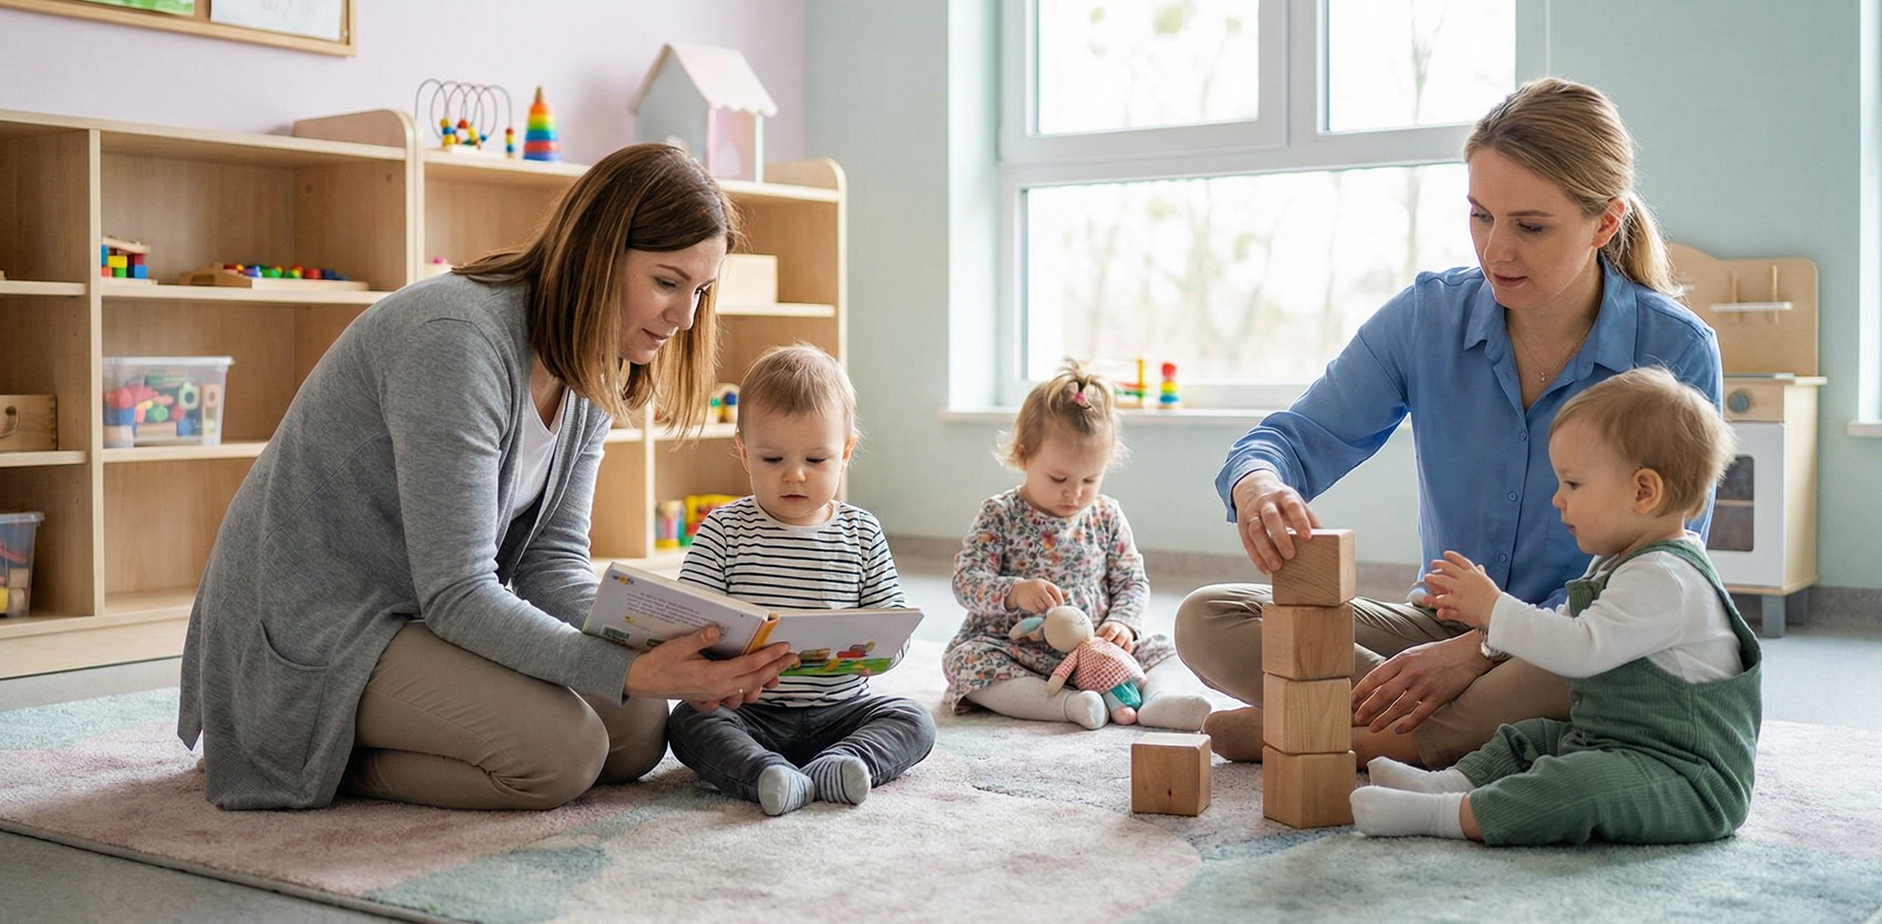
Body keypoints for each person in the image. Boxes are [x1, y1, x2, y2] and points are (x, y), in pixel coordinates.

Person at [178, 143, 801, 811]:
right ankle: (306, 752)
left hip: (412, 612)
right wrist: (625, 666)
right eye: (668, 282)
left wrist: (667, 649)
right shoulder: (455, 340)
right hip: (315, 623)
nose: (684, 318)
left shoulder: (594, 361)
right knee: (563, 754)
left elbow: (551, 567)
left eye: (701, 290)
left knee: (635, 732)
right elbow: (458, 591)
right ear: (595, 256)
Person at [1176, 77, 1723, 767]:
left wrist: (1488, 645)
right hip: (1440, 625)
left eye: (1530, 226)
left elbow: (1659, 567)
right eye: (1480, 215)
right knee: (1207, 618)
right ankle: (1428, 735)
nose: (1495, 250)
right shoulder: (1428, 317)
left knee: (1590, 669)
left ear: (1605, 222)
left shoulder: (1674, 350)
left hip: (1588, 638)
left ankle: (1312, 728)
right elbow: (1292, 437)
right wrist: (1257, 483)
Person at [1350, 366, 1759, 845]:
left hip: (1686, 778)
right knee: (1531, 738)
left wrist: (1495, 609)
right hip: (1616, 740)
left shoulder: (1665, 578)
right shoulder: (1617, 564)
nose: (1558, 500)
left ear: (1643, 491)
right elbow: (1562, 625)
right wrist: (1487, 623)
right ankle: (1446, 783)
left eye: (1574, 485)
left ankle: (1443, 816)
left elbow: (1579, 650)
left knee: (1573, 786)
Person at [664, 344, 936, 817]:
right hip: (750, 711)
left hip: (841, 710)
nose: (794, 475)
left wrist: (879, 648)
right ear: (744, 452)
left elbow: (893, 630)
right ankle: (765, 774)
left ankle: (844, 762)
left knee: (914, 719)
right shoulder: (724, 529)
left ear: (845, 452)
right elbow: (693, 621)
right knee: (687, 721)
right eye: (772, 460)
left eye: (815, 460)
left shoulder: (862, 531)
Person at [943, 362, 1211, 732]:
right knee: (965, 662)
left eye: (1090, 478)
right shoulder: (999, 514)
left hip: (1100, 651)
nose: (1075, 492)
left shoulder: (1106, 515)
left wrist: (1123, 623)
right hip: (1020, 651)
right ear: (1023, 456)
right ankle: (1067, 705)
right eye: (1058, 478)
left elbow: (1132, 581)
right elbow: (966, 582)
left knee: (1169, 648)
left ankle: (1159, 701)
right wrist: (1015, 591)